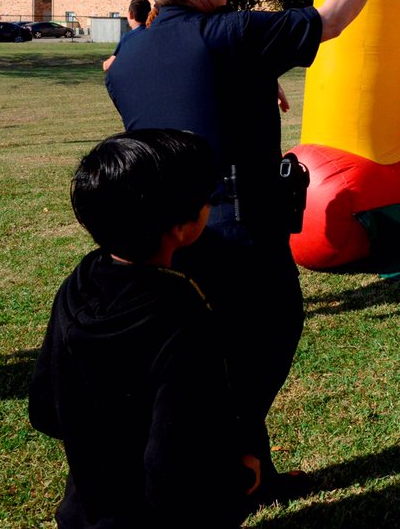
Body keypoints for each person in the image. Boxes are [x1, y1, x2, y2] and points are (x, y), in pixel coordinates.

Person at [104, 0, 400, 502]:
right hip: (236, 230)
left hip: (165, 239)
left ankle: (254, 472)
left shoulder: (130, 55)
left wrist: (248, 86)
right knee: (264, 339)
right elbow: (330, 19)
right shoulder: (229, 32)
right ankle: (226, 456)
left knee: (213, 346)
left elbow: (163, 88)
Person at [29, 130, 260, 528]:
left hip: (87, 510)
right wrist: (239, 477)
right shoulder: (181, 317)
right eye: (207, 199)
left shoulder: (79, 283)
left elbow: (45, 411)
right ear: (182, 227)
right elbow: (172, 470)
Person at [102, 0, 152, 71]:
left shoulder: (128, 37)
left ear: (131, 14)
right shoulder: (154, 34)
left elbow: (108, 66)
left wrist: (105, 64)